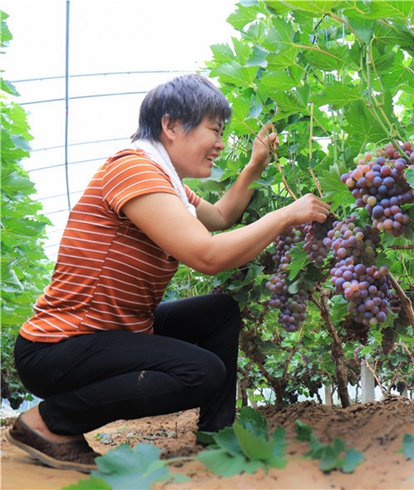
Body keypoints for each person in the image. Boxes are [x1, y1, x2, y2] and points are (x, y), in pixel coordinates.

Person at [6, 74, 330, 472]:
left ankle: (216, 434)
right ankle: (50, 422)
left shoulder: (170, 184)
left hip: (111, 337)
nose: (221, 144)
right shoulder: (133, 170)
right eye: (215, 130)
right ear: (172, 125)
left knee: (219, 311)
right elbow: (207, 256)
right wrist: (287, 215)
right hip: (61, 347)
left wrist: (255, 164)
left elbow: (222, 216)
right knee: (201, 372)